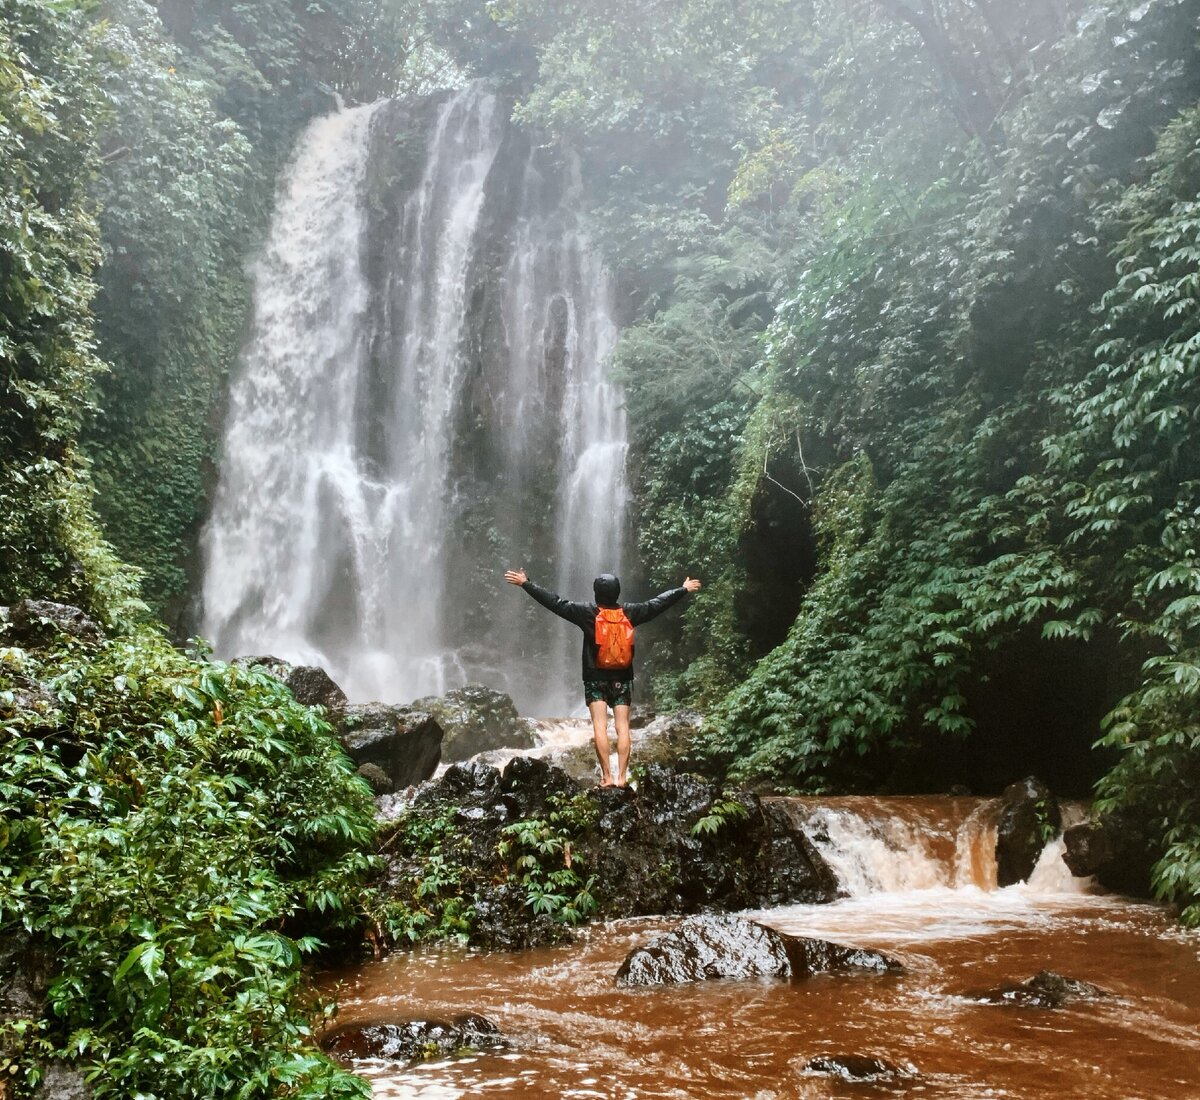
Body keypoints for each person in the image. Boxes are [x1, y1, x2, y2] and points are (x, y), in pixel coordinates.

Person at [503, 568, 701, 787]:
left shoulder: (587, 612)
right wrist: (683, 589)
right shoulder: (630, 612)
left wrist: (526, 583)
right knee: (622, 727)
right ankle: (622, 778)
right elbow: (657, 604)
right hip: (622, 678)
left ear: (596, 593)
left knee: (600, 726)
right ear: (617, 592)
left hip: (595, 677)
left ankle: (607, 777)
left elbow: (555, 603)